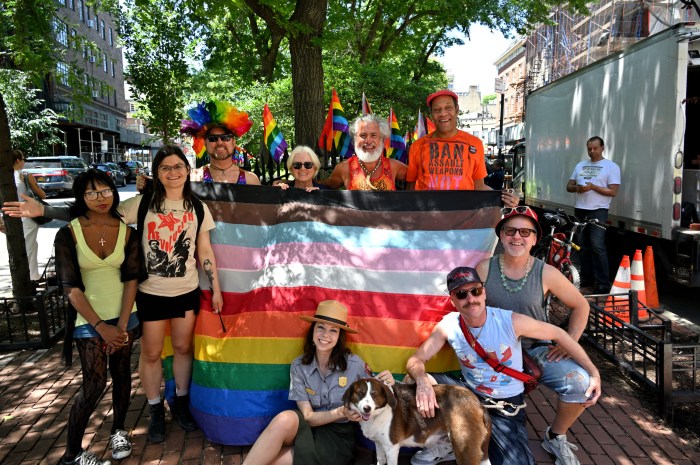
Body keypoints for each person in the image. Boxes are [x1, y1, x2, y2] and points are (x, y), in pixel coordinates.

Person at [3, 146, 225, 444]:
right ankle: (155, 408)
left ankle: (181, 404)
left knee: (184, 348)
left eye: (178, 166)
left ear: (187, 169)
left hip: (186, 292)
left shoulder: (199, 207)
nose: (173, 172)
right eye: (165, 167)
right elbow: (92, 213)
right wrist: (44, 210)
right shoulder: (142, 204)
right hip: (151, 294)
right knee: (151, 353)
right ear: (157, 174)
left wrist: (216, 288)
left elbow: (205, 250)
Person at [406, 267, 601, 465]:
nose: (470, 299)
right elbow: (416, 360)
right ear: (453, 300)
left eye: (475, 291)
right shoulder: (449, 325)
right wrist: (422, 381)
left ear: (484, 292)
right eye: (461, 294)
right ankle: (445, 440)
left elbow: (557, 334)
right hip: (468, 396)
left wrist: (594, 372)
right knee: (411, 384)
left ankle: (476, 439)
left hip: (504, 406)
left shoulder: (509, 321)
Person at [476, 206, 592, 465]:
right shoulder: (484, 268)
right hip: (493, 352)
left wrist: (569, 341)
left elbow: (581, 305)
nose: (517, 237)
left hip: (536, 352)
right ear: (501, 235)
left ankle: (555, 435)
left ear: (535, 238)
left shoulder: (546, 272)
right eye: (510, 230)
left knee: (581, 384)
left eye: (525, 232)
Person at [55, 169, 141, 465]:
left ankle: (119, 431)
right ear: (81, 197)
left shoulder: (127, 231)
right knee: (94, 383)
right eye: (91, 193)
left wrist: (119, 325)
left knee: (121, 376)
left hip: (124, 318)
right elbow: (70, 287)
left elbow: (131, 279)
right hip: (88, 321)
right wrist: (101, 326)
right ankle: (72, 454)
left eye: (105, 190)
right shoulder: (68, 233)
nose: (100, 198)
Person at [242, 300, 395, 465]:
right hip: (309, 424)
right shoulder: (298, 366)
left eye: (333, 331)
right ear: (313, 330)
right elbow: (307, 417)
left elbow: (376, 392)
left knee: (269, 462)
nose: (325, 335)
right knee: (284, 418)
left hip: (337, 437)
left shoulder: (355, 364)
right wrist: (340, 411)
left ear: (339, 337)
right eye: (320, 327)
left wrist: (389, 384)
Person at [406, 90, 519, 207]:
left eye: (448, 108)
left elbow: (479, 187)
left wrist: (504, 198)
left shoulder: (474, 144)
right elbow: (410, 188)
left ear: (457, 110)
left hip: (462, 219)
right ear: (431, 114)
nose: (443, 113)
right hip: (427, 218)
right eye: (437, 110)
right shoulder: (417, 146)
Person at [566, 136, 620, 293]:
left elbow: (613, 191)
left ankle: (602, 282)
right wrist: (578, 188)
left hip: (599, 210)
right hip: (580, 209)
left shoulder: (611, 167)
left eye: (595, 148)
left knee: (597, 246)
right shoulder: (580, 165)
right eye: (589, 148)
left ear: (602, 147)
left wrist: (592, 187)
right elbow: (569, 186)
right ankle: (587, 278)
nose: (592, 151)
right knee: (582, 247)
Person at [180, 100, 261, 185]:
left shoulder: (251, 180)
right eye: (213, 138)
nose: (219, 142)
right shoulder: (194, 178)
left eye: (225, 138)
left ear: (233, 142)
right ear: (205, 143)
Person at [318, 114, 407, 190]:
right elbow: (327, 186)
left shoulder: (395, 166)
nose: (368, 141)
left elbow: (417, 179)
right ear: (355, 139)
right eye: (363, 135)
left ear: (382, 139)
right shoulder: (344, 168)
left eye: (373, 135)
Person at [13, 149, 47, 283]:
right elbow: (42, 195)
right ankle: (32, 277)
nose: (24, 162)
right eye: (23, 159)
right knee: (30, 246)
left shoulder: (4, 176)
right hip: (27, 215)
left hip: (10, 214)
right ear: (17, 161)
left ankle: (29, 275)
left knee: (21, 246)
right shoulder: (25, 176)